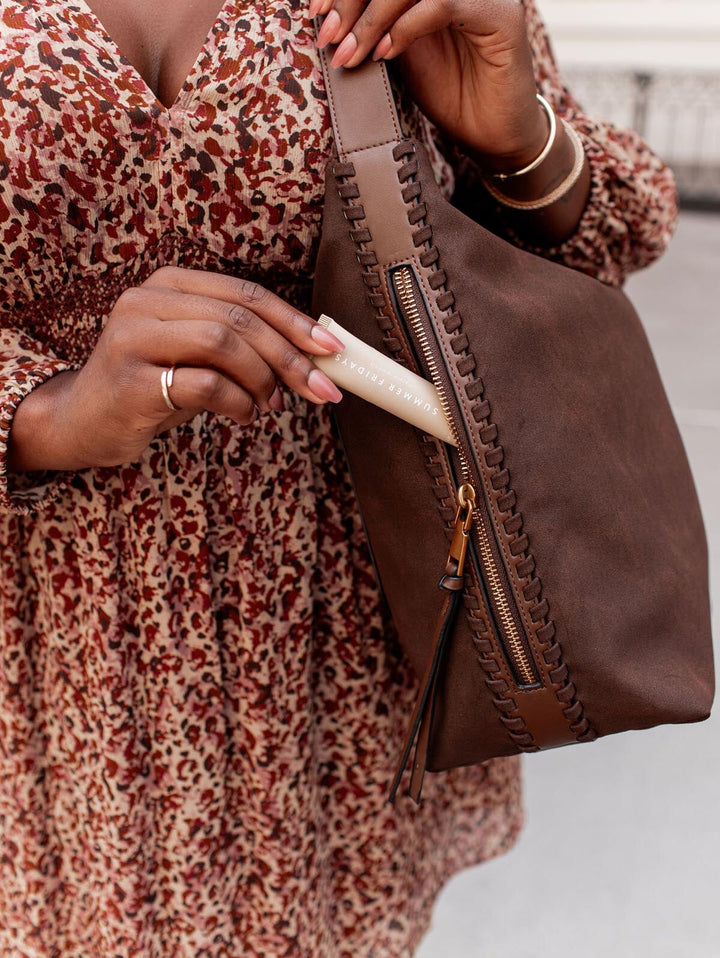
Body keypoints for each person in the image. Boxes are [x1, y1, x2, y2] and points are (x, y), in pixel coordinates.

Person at [0, 0, 676, 954]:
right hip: (42, 675)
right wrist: (44, 416)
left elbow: (605, 236)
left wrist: (515, 140)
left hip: (343, 649)